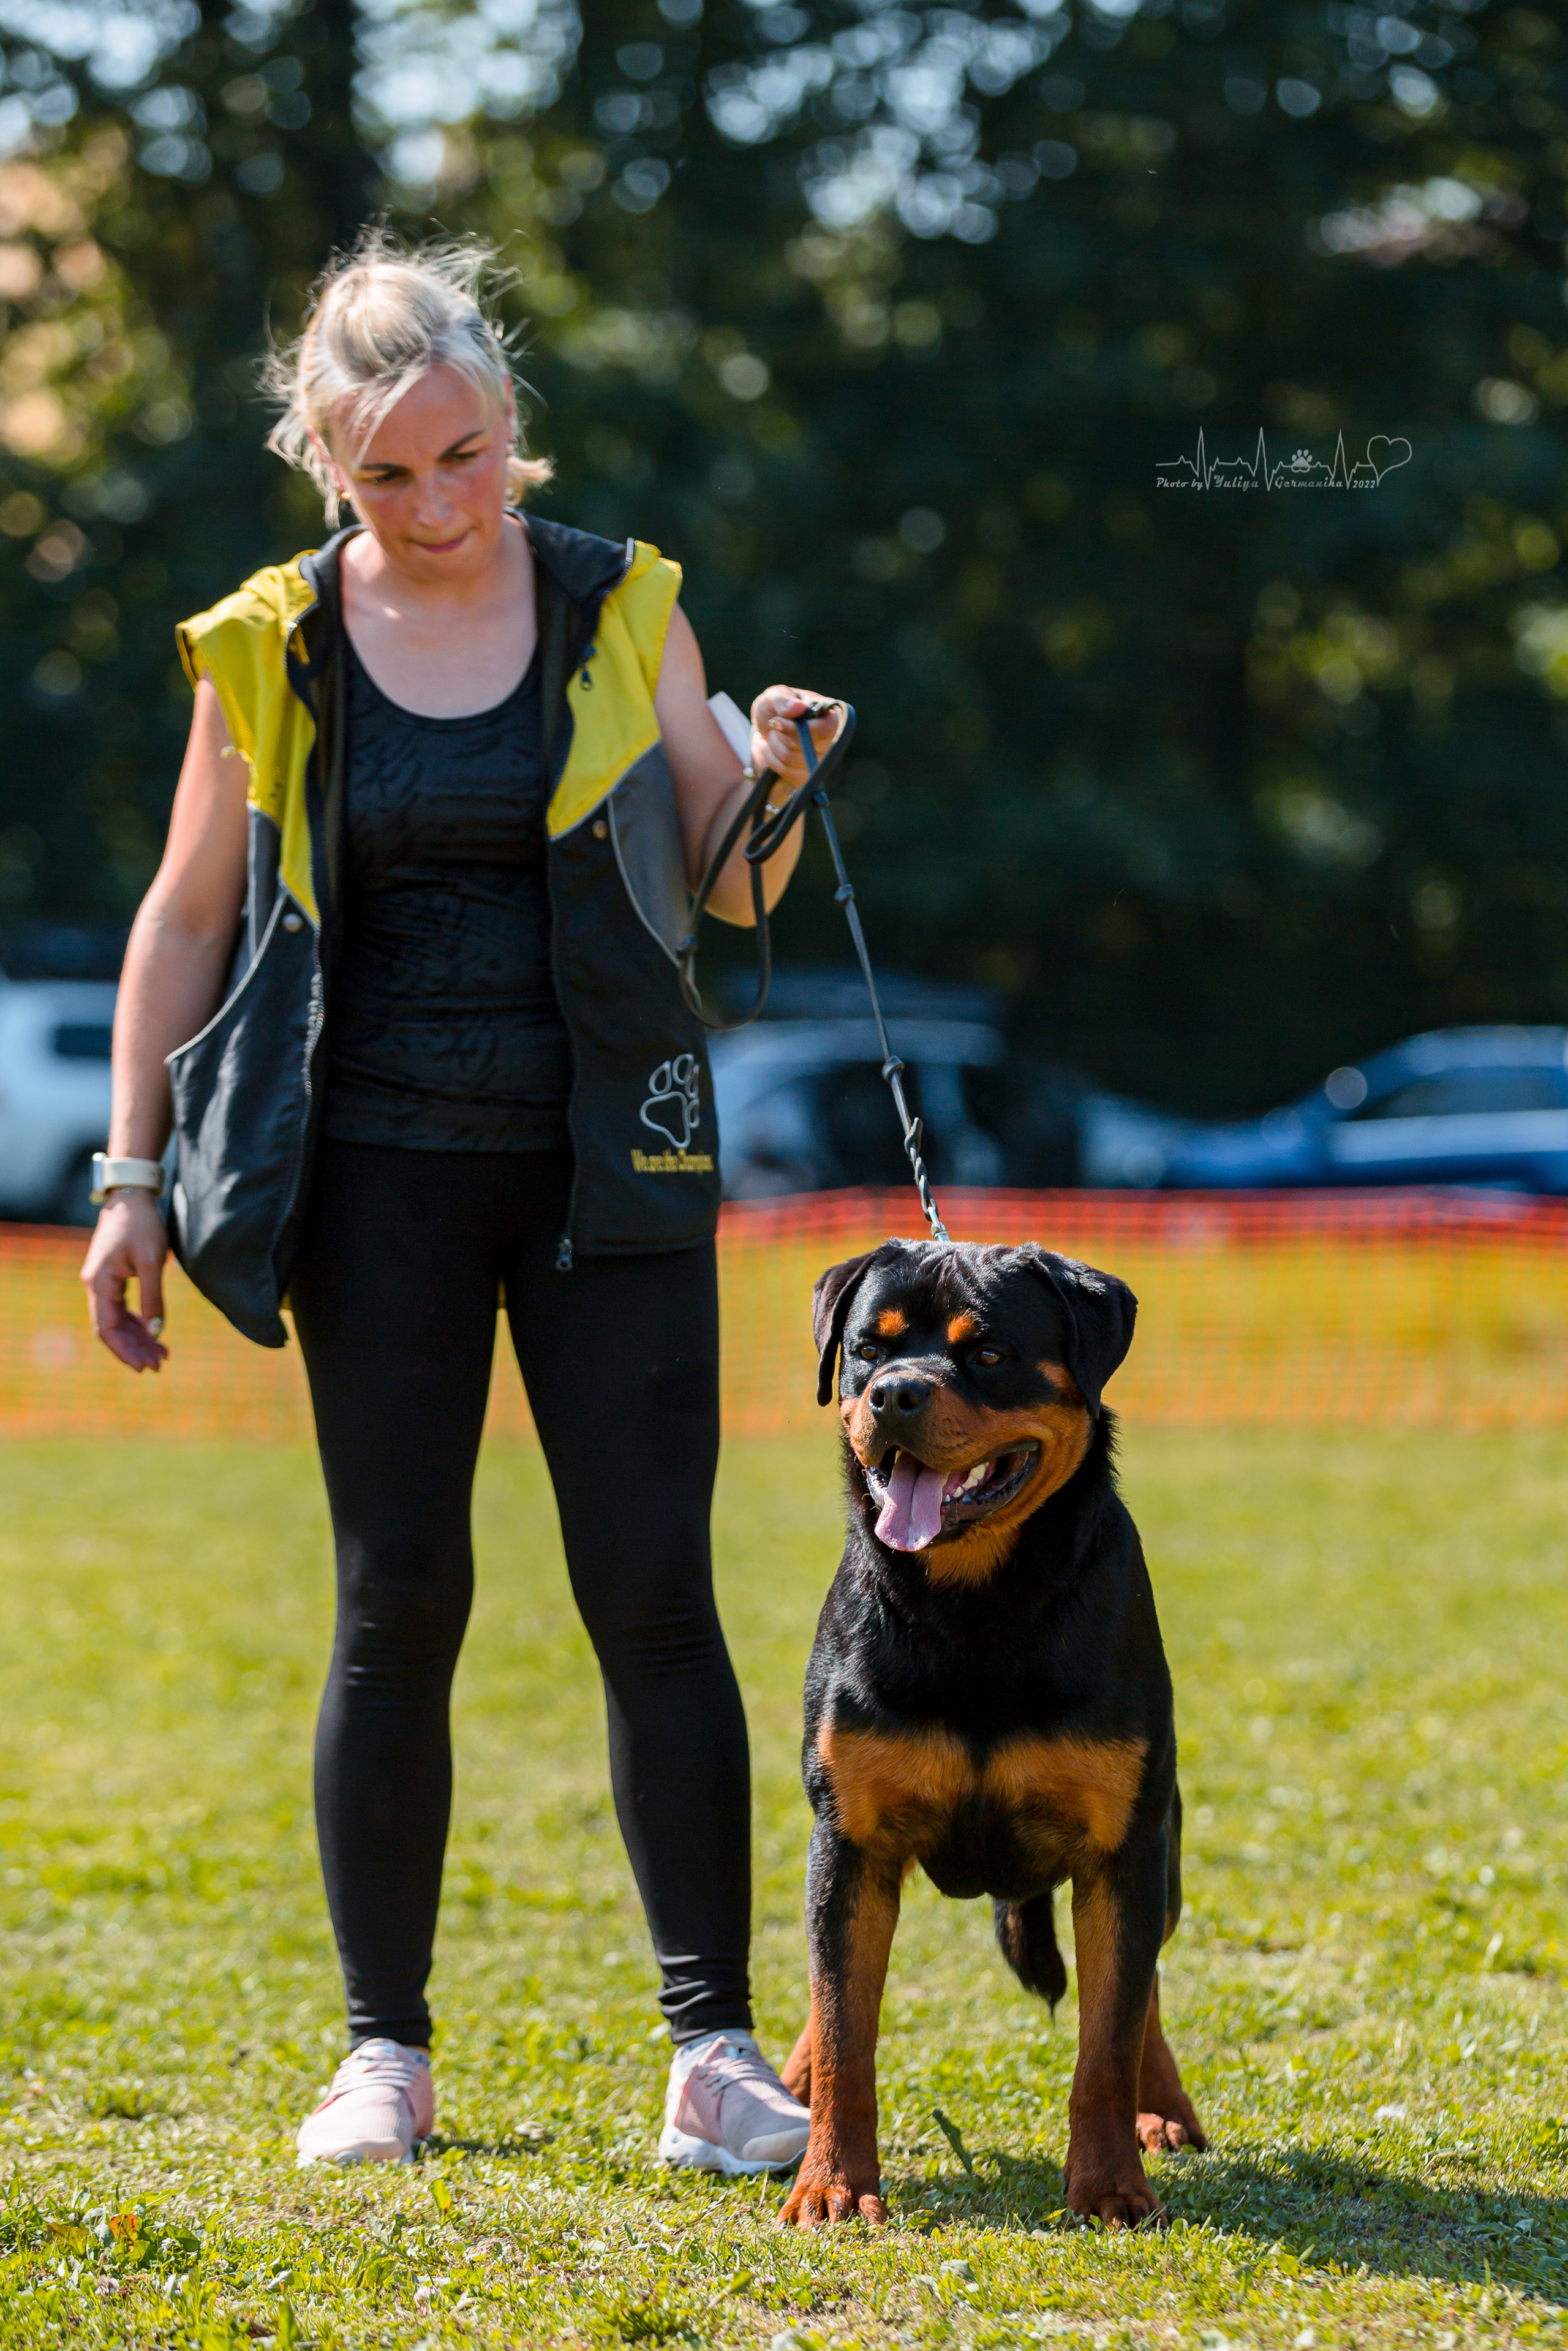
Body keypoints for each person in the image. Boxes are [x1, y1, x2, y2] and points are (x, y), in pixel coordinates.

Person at [80, 233, 842, 2176]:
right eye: (388, 474)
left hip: (614, 1166)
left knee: (654, 1593)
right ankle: (384, 2059)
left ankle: (715, 2056)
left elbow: (732, 878)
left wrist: (774, 772)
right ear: (326, 463)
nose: (435, 504)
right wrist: (132, 1174)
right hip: (374, 1184)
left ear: (513, 421)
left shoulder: (624, 603)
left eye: (466, 457)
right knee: (396, 1601)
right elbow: (184, 914)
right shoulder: (271, 641)